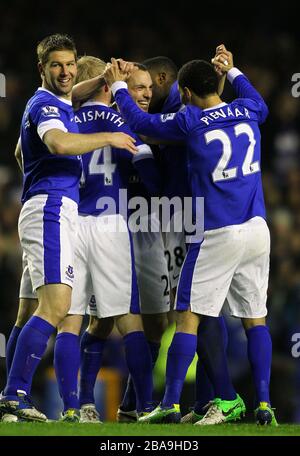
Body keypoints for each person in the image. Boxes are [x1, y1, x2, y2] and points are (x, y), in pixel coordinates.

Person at [103, 44, 277, 426]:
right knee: (255, 319)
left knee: (187, 315)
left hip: (215, 229)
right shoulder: (251, 109)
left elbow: (143, 125)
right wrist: (232, 70)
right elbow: (254, 97)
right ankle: (263, 404)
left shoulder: (190, 121)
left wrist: (117, 88)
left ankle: (169, 402)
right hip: (257, 228)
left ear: (183, 92)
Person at [0, 34, 137, 422]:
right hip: (52, 208)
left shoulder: (55, 100)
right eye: (56, 65)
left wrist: (101, 78)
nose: (65, 72)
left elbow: (19, 150)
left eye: (70, 64)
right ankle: (14, 394)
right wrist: (109, 136)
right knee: (58, 306)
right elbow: (59, 144)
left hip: (43, 206)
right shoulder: (45, 105)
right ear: (41, 68)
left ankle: (11, 403)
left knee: (27, 313)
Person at [54, 56, 157, 422]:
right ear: (104, 85)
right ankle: (145, 406)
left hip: (72, 221)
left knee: (74, 318)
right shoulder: (123, 121)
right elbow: (150, 176)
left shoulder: (63, 120)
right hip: (111, 223)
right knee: (129, 319)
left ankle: (76, 405)